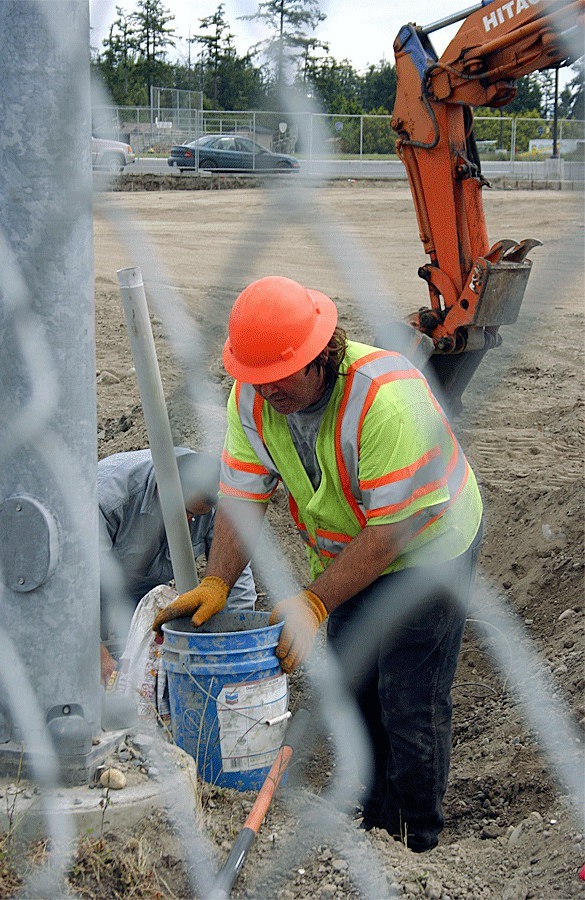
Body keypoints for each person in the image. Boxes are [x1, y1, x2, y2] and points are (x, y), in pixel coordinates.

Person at [152, 276, 483, 852]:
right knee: (356, 688)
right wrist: (216, 581)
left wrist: (313, 601)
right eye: (255, 376)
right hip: (349, 549)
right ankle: (374, 814)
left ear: (321, 356)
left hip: (429, 546)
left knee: (410, 696)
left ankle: (412, 840)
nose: (267, 389)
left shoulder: (386, 399)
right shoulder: (252, 397)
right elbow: (242, 495)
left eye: (280, 373)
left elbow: (389, 535)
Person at [98, 447, 257, 681]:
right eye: (185, 511)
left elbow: (238, 582)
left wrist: (237, 647)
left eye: (197, 516)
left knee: (149, 669)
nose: (189, 522)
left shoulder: (215, 502)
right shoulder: (110, 499)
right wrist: (96, 654)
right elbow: (74, 588)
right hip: (94, 583)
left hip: (148, 586)